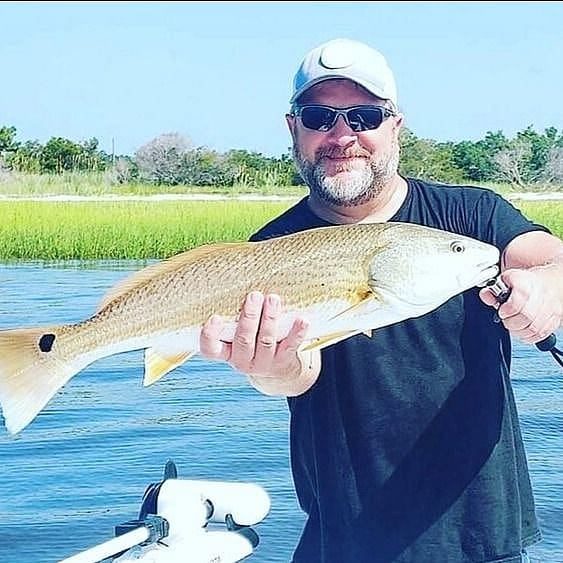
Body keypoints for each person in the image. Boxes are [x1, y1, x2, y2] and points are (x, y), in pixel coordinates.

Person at [200, 38, 563, 562]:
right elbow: (295, 373)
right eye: (319, 115)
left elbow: (549, 258)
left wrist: (548, 286)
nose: (342, 134)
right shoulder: (266, 253)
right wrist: (268, 368)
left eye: (364, 115)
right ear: (293, 129)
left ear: (395, 125)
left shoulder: (471, 217)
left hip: (483, 539)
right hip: (345, 539)